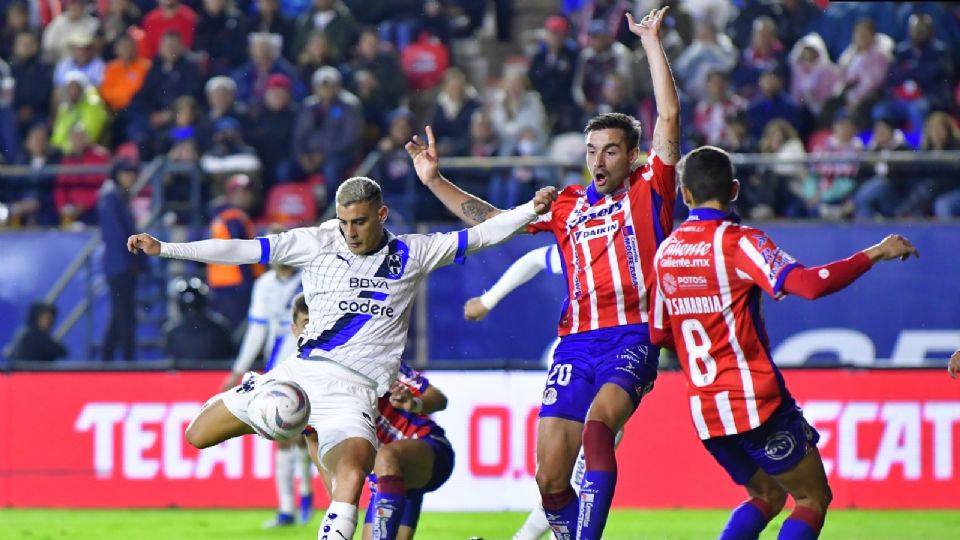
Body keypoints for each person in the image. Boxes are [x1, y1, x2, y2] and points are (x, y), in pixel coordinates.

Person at [126, 176, 557, 540]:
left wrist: (530, 209)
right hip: (297, 375)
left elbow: (482, 236)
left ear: (382, 215)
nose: (351, 232)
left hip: (354, 393)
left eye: (360, 222)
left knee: (349, 481)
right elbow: (241, 249)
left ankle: (301, 440)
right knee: (197, 436)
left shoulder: (414, 252)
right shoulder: (315, 242)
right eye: (345, 222)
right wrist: (166, 249)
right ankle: (273, 410)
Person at [406, 9, 680, 539]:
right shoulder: (567, 204)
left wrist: (649, 43)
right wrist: (435, 181)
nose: (598, 160)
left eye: (611, 151)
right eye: (592, 151)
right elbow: (492, 222)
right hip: (573, 344)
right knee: (550, 477)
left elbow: (669, 118)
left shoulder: (652, 191)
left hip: (632, 336)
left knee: (599, 431)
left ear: (633, 156)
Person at [649, 145, 919, 540]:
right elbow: (808, 286)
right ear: (735, 190)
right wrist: (876, 252)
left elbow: (658, 334)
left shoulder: (666, 251)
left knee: (767, 495)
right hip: (754, 402)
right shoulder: (739, 242)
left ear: (685, 195)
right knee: (811, 498)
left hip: (707, 409)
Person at [461, 244, 623, 540]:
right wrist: (488, 300)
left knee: (565, 484)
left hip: (609, 378)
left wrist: (487, 301)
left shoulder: (628, 248)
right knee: (556, 482)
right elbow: (535, 258)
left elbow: (534, 258)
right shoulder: (591, 247)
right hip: (578, 369)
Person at [293, 294, 454, 540]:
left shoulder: (370, 358)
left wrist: (414, 403)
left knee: (386, 455)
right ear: (295, 330)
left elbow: (439, 399)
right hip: (389, 482)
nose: (314, 330)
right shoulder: (301, 384)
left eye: (320, 322)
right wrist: (339, 505)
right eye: (307, 324)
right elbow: (315, 445)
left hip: (427, 450)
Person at [220, 235, 310, 528]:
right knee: (281, 434)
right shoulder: (264, 285)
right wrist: (239, 370)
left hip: (308, 366)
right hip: (277, 371)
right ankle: (287, 508)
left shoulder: (310, 278)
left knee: (305, 435)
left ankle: (307, 493)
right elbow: (257, 331)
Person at [98, 159, 144, 362]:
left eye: (133, 173)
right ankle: (127, 360)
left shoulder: (116, 199)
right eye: (127, 172)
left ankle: (109, 357)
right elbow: (117, 237)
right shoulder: (111, 200)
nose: (131, 177)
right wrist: (131, 262)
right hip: (120, 266)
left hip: (119, 265)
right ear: (117, 175)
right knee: (125, 315)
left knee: (120, 314)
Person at [206, 173, 264, 328]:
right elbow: (240, 251)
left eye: (247, 192)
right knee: (239, 330)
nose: (246, 196)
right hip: (238, 283)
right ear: (230, 194)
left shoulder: (219, 216)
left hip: (220, 282)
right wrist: (250, 281)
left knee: (227, 328)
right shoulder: (234, 218)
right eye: (240, 192)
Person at [163, 276, 235, 362]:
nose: (192, 312)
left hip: (215, 373)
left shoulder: (220, 327)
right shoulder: (171, 331)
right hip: (186, 374)